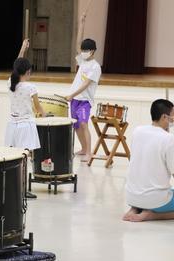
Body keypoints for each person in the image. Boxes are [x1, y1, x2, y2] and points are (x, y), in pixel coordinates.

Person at [5, 39, 45, 199]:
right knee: (24, 158)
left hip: (12, 126)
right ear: (28, 72)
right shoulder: (30, 87)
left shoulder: (10, 83)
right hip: (25, 126)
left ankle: (11, 187)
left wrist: (22, 49)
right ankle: (22, 189)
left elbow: (17, 64)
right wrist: (43, 113)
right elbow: (38, 108)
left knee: (12, 158)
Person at [124, 99, 174, 222]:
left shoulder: (138, 131)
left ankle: (135, 209)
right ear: (164, 117)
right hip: (155, 200)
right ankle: (152, 215)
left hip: (131, 196)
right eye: (173, 116)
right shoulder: (169, 139)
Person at [64, 13, 101, 162]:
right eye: (83, 50)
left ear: (92, 51)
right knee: (77, 125)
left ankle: (89, 152)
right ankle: (83, 148)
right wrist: (82, 24)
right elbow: (77, 43)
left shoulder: (95, 67)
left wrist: (72, 94)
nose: (83, 52)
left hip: (84, 100)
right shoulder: (83, 61)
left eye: (86, 51)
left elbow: (86, 84)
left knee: (84, 124)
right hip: (74, 99)